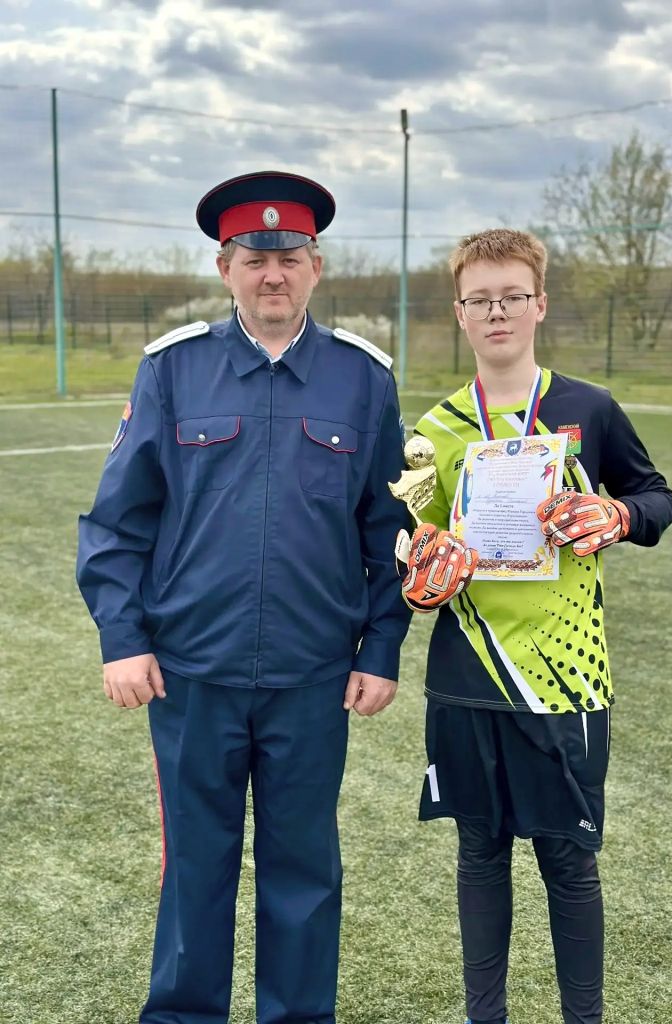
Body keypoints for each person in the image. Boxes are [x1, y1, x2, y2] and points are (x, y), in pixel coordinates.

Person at [76, 171, 411, 1024]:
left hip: (313, 677)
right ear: (225, 267)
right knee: (195, 869)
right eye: (255, 258)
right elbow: (116, 523)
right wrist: (123, 638)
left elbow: (389, 531)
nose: (273, 274)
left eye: (290, 257)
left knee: (305, 873)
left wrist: (381, 649)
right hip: (192, 674)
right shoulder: (173, 370)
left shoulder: (363, 380)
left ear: (316, 267)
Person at [405, 228, 672, 1024]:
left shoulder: (589, 408)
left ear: (540, 305)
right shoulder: (435, 430)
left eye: (512, 296)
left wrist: (618, 515)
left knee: (568, 861)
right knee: (479, 855)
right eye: (480, 299)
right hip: (467, 677)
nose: (497, 311)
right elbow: (410, 546)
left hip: (566, 678)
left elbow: (657, 498)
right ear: (460, 312)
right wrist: (419, 575)